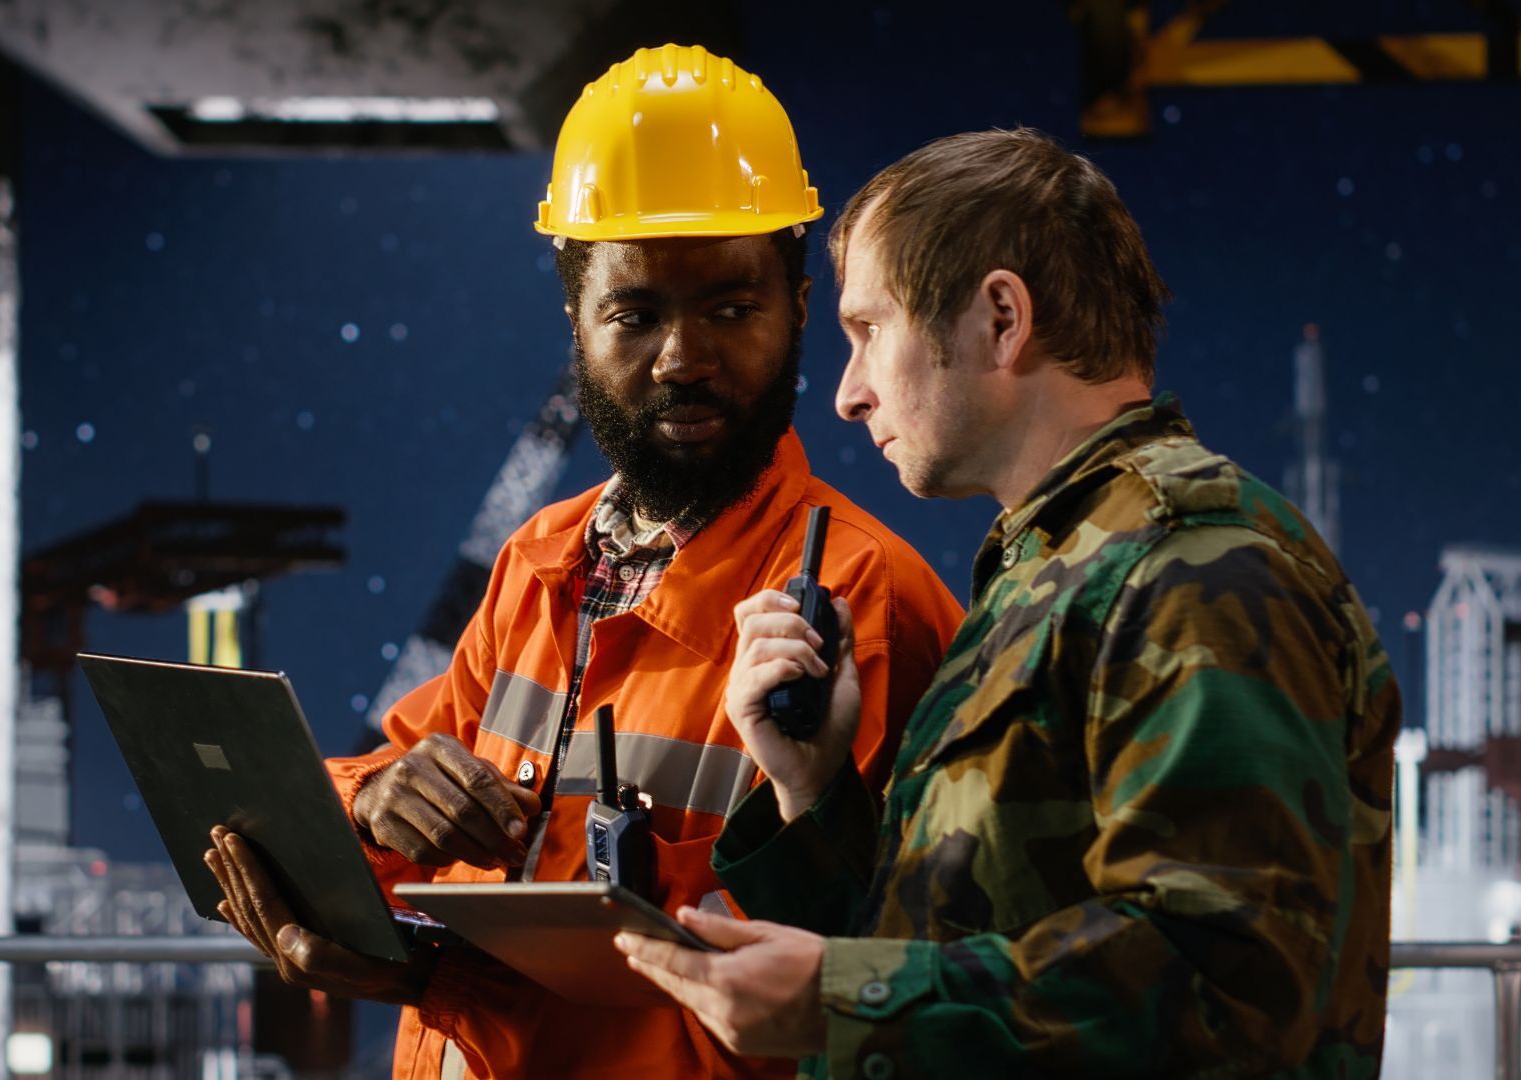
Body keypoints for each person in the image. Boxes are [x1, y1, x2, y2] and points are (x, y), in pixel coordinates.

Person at [200, 45, 964, 1079]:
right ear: (576, 325)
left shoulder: (863, 605)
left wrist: (440, 984)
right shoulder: (544, 559)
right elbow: (379, 778)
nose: (684, 359)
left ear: (796, 309)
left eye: (731, 309)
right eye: (636, 314)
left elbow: (842, 1014)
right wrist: (375, 798)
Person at [616, 128, 1400, 1077]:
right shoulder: (1061, 566)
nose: (849, 395)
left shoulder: (1197, 564)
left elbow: (1228, 979)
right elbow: (954, 941)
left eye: (870, 332)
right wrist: (813, 789)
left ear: (999, 318)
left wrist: (846, 1001)